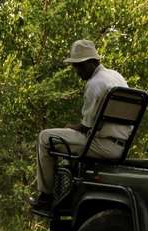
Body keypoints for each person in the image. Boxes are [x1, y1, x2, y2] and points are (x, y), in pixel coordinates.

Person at [30, 40, 130, 210]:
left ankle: (46, 196)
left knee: (45, 138)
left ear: (92, 62)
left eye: (79, 66)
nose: (76, 70)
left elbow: (86, 127)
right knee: (67, 136)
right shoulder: (116, 76)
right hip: (121, 145)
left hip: (102, 145)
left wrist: (71, 126)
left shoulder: (94, 84)